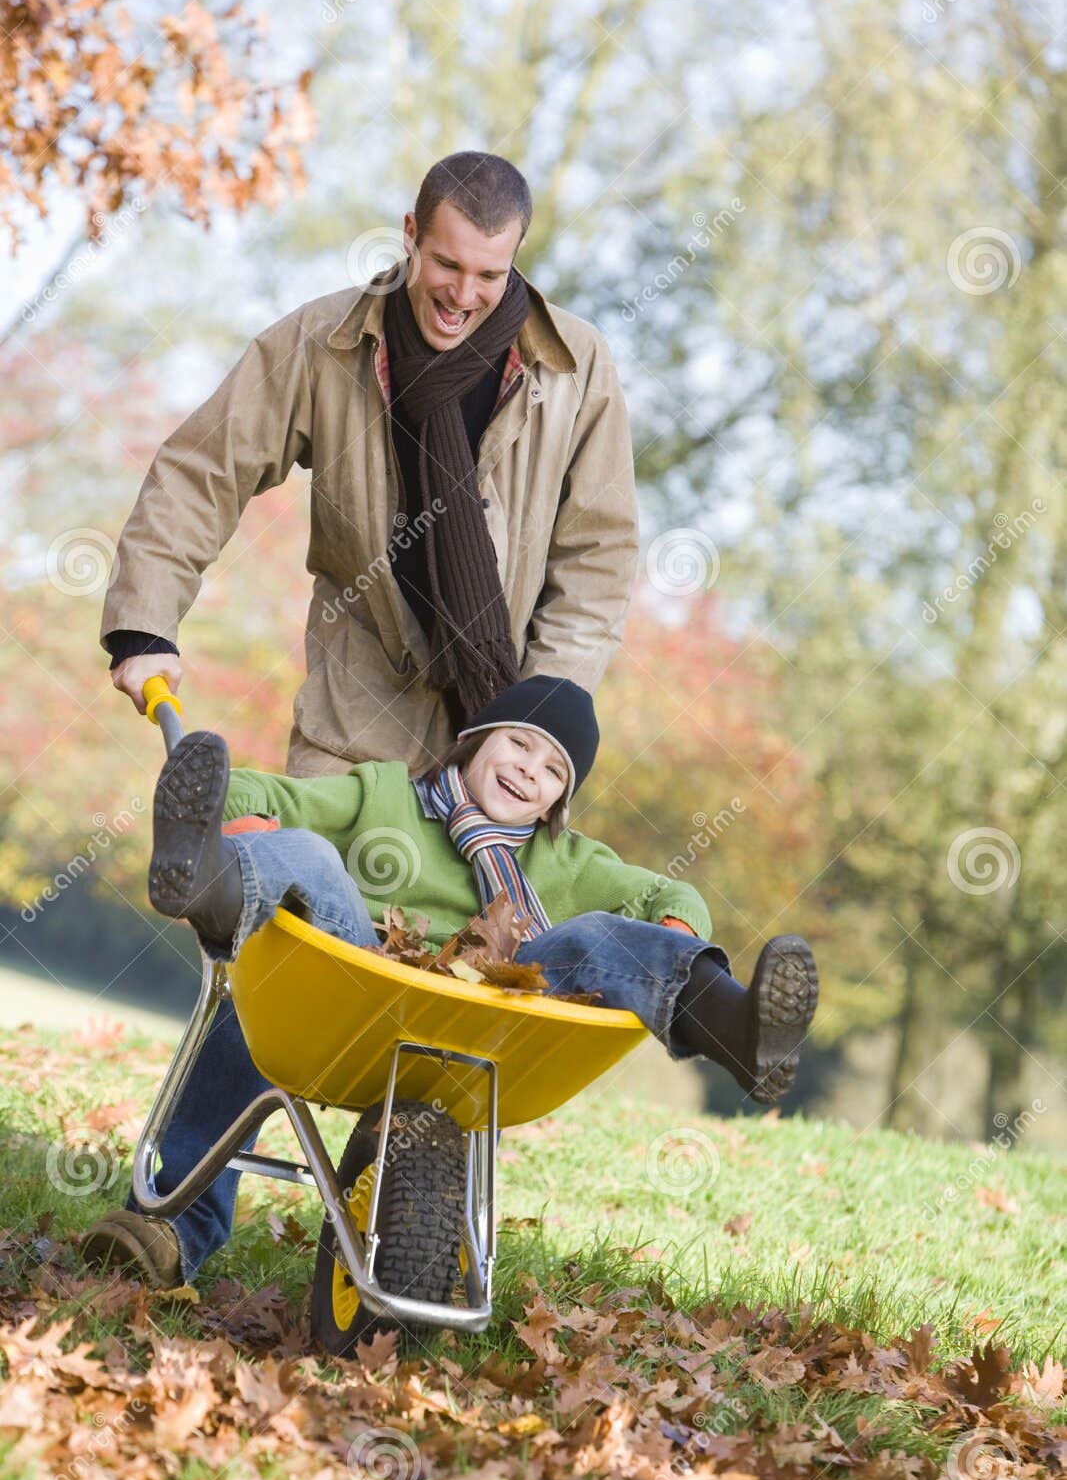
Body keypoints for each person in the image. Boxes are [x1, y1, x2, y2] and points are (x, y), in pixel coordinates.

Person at [82, 678, 818, 1288]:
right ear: (476, 740)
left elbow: (670, 898)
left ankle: (742, 1035)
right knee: (307, 857)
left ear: (557, 799)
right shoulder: (384, 797)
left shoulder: (569, 861)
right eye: (518, 743)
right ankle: (207, 891)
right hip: (345, 989)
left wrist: (677, 933)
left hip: (474, 1034)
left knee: (593, 937)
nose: (530, 769)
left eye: (553, 770)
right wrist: (238, 826)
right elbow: (255, 790)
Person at [100, 150, 638, 769]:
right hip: (351, 733)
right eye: (446, 263)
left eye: (489, 275)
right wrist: (146, 625)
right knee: (304, 868)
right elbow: (202, 472)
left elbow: (599, 554)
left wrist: (535, 724)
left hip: (508, 747)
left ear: (515, 257)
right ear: (410, 234)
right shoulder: (320, 343)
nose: (463, 295)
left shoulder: (576, 365)